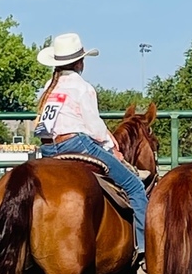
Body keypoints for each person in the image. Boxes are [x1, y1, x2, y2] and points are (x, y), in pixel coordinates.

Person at [35, 32, 147, 258]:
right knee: (135, 187)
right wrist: (111, 147)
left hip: (46, 148)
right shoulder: (82, 87)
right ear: (80, 62)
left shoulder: (50, 86)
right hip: (76, 144)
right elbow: (94, 128)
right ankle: (145, 247)